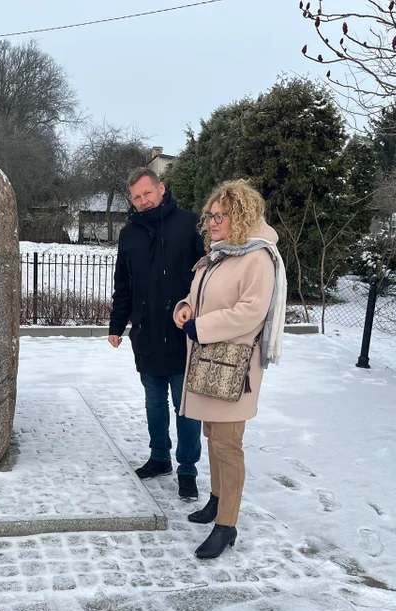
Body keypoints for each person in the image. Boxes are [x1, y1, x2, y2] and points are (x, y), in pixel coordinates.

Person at [173, 179, 287, 559]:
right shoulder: (221, 254)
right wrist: (185, 308)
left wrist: (201, 327)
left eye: (221, 216)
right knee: (214, 439)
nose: (213, 222)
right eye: (211, 216)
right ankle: (216, 501)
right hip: (209, 362)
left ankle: (227, 525)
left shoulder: (258, 257)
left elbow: (251, 311)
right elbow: (199, 294)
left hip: (233, 368)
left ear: (240, 216)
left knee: (228, 445)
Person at [108, 168, 206, 500]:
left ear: (161, 188)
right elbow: (124, 284)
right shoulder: (129, 234)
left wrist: (198, 314)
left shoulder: (188, 224)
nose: (142, 201)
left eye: (147, 193)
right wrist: (117, 326)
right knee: (154, 402)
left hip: (182, 335)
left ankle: (188, 469)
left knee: (186, 406)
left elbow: (205, 278)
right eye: (136, 197)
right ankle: (160, 457)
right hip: (146, 333)